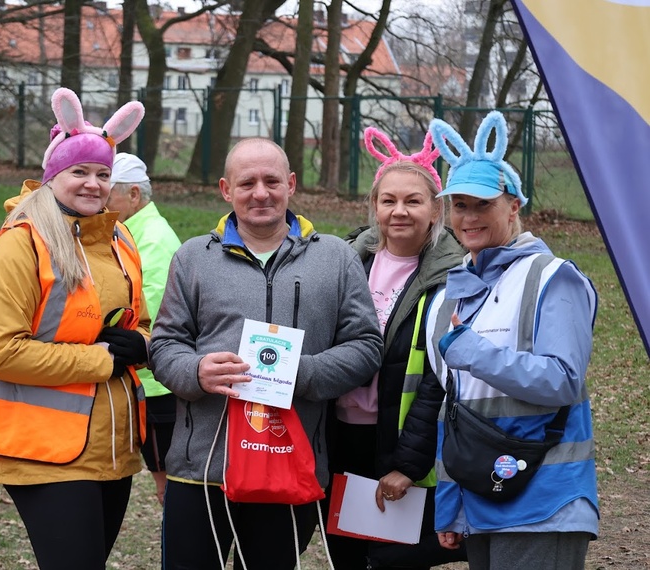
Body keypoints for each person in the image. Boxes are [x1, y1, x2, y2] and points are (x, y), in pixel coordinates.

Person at [149, 137, 384, 570]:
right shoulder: (192, 258)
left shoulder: (334, 258)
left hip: (290, 464)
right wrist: (197, 370)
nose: (261, 193)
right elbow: (163, 346)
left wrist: (303, 372)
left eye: (272, 180)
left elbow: (367, 346)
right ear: (226, 190)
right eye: (247, 183)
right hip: (203, 468)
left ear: (291, 184)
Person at [0, 87, 149, 570]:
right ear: (53, 176)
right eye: (79, 172)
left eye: (103, 173)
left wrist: (143, 344)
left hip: (111, 446)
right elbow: (0, 352)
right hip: (42, 448)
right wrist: (103, 360)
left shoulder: (119, 238)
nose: (93, 184)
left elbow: (143, 322)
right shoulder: (19, 245)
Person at [424, 111, 598, 569]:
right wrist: (451, 501)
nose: (468, 216)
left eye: (482, 204)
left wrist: (474, 353)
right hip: (482, 499)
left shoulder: (552, 278)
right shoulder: (449, 294)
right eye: (459, 205)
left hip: (545, 501)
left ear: (514, 205)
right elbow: (455, 410)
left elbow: (562, 381)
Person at [326, 127, 467, 569]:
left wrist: (408, 463)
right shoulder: (346, 261)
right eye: (388, 201)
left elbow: (440, 377)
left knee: (393, 560)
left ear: (435, 209)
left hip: (401, 441)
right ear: (374, 207)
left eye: (413, 201)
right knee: (346, 555)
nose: (399, 212)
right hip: (338, 436)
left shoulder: (454, 276)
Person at [107, 152, 182, 505]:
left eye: (108, 195)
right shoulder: (129, 232)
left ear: (134, 195)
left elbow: (154, 312)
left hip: (156, 387)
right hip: (144, 381)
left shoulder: (150, 239)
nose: (100, 202)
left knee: (168, 484)